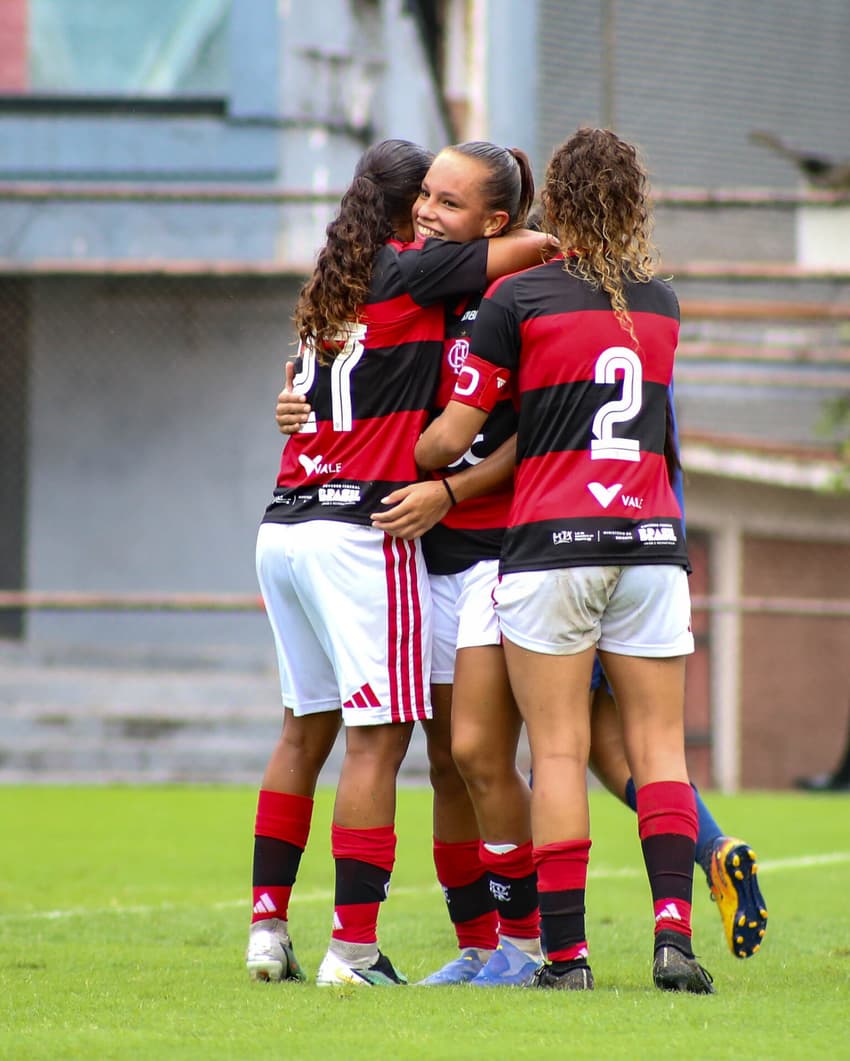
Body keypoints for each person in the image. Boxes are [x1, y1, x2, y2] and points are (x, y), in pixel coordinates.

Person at [414, 127, 715, 993]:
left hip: (552, 547)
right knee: (663, 750)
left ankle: (567, 956)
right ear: (635, 200)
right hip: (653, 546)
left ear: (554, 201)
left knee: (555, 752)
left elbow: (450, 439)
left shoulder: (519, 298)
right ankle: (671, 937)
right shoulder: (661, 300)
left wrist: (409, 443)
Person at [246, 137, 552, 988]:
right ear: (403, 208)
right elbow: (533, 246)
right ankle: (356, 949)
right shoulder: (414, 269)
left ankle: (268, 928)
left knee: (309, 731)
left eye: (448, 202)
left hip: (289, 522)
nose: (430, 214)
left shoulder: (332, 280)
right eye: (427, 197)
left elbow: (314, 391)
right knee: (381, 742)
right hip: (360, 527)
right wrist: (555, 241)